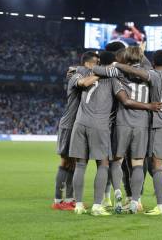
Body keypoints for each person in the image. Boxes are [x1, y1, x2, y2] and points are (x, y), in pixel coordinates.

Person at [70, 50, 162, 216]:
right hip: (132, 124)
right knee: (131, 165)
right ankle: (132, 201)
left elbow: (87, 80)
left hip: (88, 122)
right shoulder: (147, 75)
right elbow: (127, 97)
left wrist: (80, 68)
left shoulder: (88, 72)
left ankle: (81, 204)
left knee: (91, 164)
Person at [113, 49, 162, 216]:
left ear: (153, 63)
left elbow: (134, 70)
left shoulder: (153, 75)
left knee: (157, 166)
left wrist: (117, 64)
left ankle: (161, 207)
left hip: (160, 125)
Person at [52, 52, 100, 210]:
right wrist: (103, 73)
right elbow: (84, 83)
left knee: (73, 162)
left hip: (78, 124)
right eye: (97, 63)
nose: (99, 66)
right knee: (66, 162)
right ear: (89, 63)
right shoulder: (77, 75)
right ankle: (59, 201)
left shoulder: (81, 72)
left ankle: (69, 199)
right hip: (69, 124)